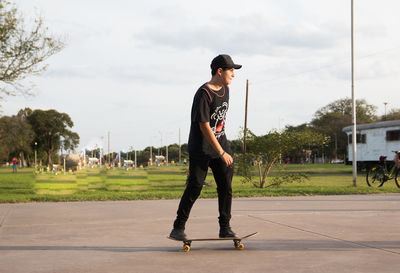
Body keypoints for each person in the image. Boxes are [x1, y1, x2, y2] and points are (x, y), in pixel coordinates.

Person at [169, 54, 242, 240]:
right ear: (220, 71)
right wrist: (221, 152)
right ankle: (178, 227)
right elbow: (204, 125)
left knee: (226, 186)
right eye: (231, 70)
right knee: (195, 186)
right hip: (201, 148)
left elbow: (220, 121)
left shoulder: (225, 89)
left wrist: (223, 149)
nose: (234, 74)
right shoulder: (204, 93)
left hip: (220, 143)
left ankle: (225, 227)